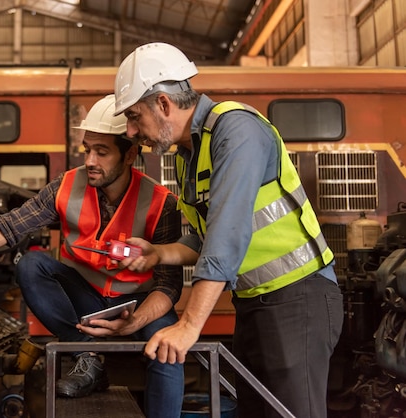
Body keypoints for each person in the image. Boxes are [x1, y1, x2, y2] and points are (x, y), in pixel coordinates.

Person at [0, 94, 185, 417]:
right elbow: (7, 227)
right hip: (87, 301)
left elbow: (168, 286)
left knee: (168, 348)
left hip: (140, 306)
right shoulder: (65, 187)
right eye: (87, 150)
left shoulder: (162, 203)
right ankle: (88, 359)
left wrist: (136, 320)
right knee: (32, 265)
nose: (90, 160)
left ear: (130, 154)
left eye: (102, 152)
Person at [112, 42, 344, 418]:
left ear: (164, 104)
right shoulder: (189, 154)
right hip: (255, 303)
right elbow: (205, 238)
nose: (132, 130)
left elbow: (228, 231)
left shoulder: (236, 130)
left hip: (299, 298)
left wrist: (189, 325)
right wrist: (159, 253)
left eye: (135, 117)